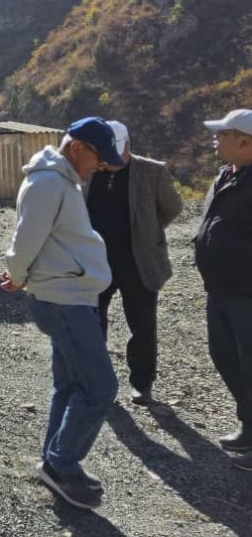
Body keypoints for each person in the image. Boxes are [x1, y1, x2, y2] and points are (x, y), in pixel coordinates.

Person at [1, 117, 125, 510]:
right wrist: (18, 276)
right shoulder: (50, 182)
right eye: (97, 158)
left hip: (68, 294)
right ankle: (63, 465)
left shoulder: (59, 179)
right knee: (100, 387)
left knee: (72, 384)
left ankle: (55, 461)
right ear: (77, 148)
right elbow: (26, 238)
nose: (99, 167)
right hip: (64, 299)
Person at [87, 121, 183, 406]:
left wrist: (147, 233)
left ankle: (142, 384)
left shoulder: (152, 171)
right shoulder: (88, 171)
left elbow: (172, 208)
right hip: (94, 262)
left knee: (142, 327)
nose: (107, 160)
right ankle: (97, 381)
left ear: (127, 144)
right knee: (91, 323)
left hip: (138, 262)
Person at [195, 108, 252, 472]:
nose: (216, 138)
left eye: (223, 134)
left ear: (245, 141)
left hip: (247, 293)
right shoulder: (227, 174)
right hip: (219, 290)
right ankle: (249, 426)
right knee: (226, 357)